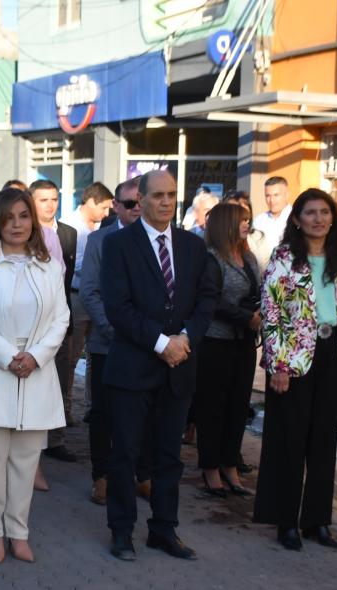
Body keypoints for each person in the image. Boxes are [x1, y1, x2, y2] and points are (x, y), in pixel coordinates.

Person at [101, 170, 217, 562]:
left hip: (179, 368)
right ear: (142, 198)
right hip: (133, 367)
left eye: (172, 195)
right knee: (126, 455)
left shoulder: (193, 247)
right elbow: (117, 306)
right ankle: (121, 532)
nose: (166, 202)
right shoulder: (119, 245)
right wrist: (160, 342)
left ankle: (164, 530)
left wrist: (185, 338)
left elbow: (206, 299)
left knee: (170, 455)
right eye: (158, 196)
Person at [0, 187, 69, 563]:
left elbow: (62, 319)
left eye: (24, 216)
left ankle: (18, 531)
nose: (17, 224)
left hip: (36, 373)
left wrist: (35, 356)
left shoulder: (49, 265)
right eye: (10, 217)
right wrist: (8, 356)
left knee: (25, 462)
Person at [253, 188, 337, 551]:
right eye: (310, 213)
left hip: (332, 353)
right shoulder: (284, 257)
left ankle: (317, 520)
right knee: (290, 439)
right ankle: (286, 520)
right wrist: (278, 364)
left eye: (324, 212)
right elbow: (272, 313)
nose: (318, 219)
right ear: (298, 220)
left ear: (333, 218)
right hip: (295, 357)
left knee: (323, 440)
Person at [80, 177, 153, 505]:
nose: (137, 208)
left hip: (150, 345)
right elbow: (90, 291)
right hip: (109, 343)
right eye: (129, 204)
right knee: (104, 412)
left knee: (145, 411)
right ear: (116, 207)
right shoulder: (100, 241)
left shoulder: (160, 239)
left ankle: (142, 473)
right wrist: (116, 330)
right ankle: (102, 476)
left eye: (141, 202)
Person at [190, 203, 261, 498]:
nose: (246, 224)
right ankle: (210, 468)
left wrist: (256, 312)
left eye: (247, 219)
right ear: (225, 224)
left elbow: (256, 291)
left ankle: (230, 464)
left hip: (243, 342)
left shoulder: (248, 256)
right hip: (216, 342)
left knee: (237, 407)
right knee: (213, 408)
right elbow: (212, 301)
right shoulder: (212, 258)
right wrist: (246, 317)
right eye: (241, 220)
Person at [27, 179, 78, 469]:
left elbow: (64, 280)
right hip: (30, 325)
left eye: (54, 199)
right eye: (43, 199)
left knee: (59, 381)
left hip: (59, 319)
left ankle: (55, 440)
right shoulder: (25, 233)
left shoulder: (68, 234)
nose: (50, 204)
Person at [61, 182, 114, 433]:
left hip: (100, 298)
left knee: (96, 354)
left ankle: (94, 406)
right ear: (91, 201)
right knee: (71, 355)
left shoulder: (100, 227)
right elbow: (72, 263)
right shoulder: (71, 225)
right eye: (103, 207)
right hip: (77, 296)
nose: (106, 213)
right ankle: (65, 408)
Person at [253, 176, 292, 265]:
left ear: (287, 195)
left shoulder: (296, 219)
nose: (271, 200)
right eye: (268, 196)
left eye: (276, 195)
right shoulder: (259, 221)